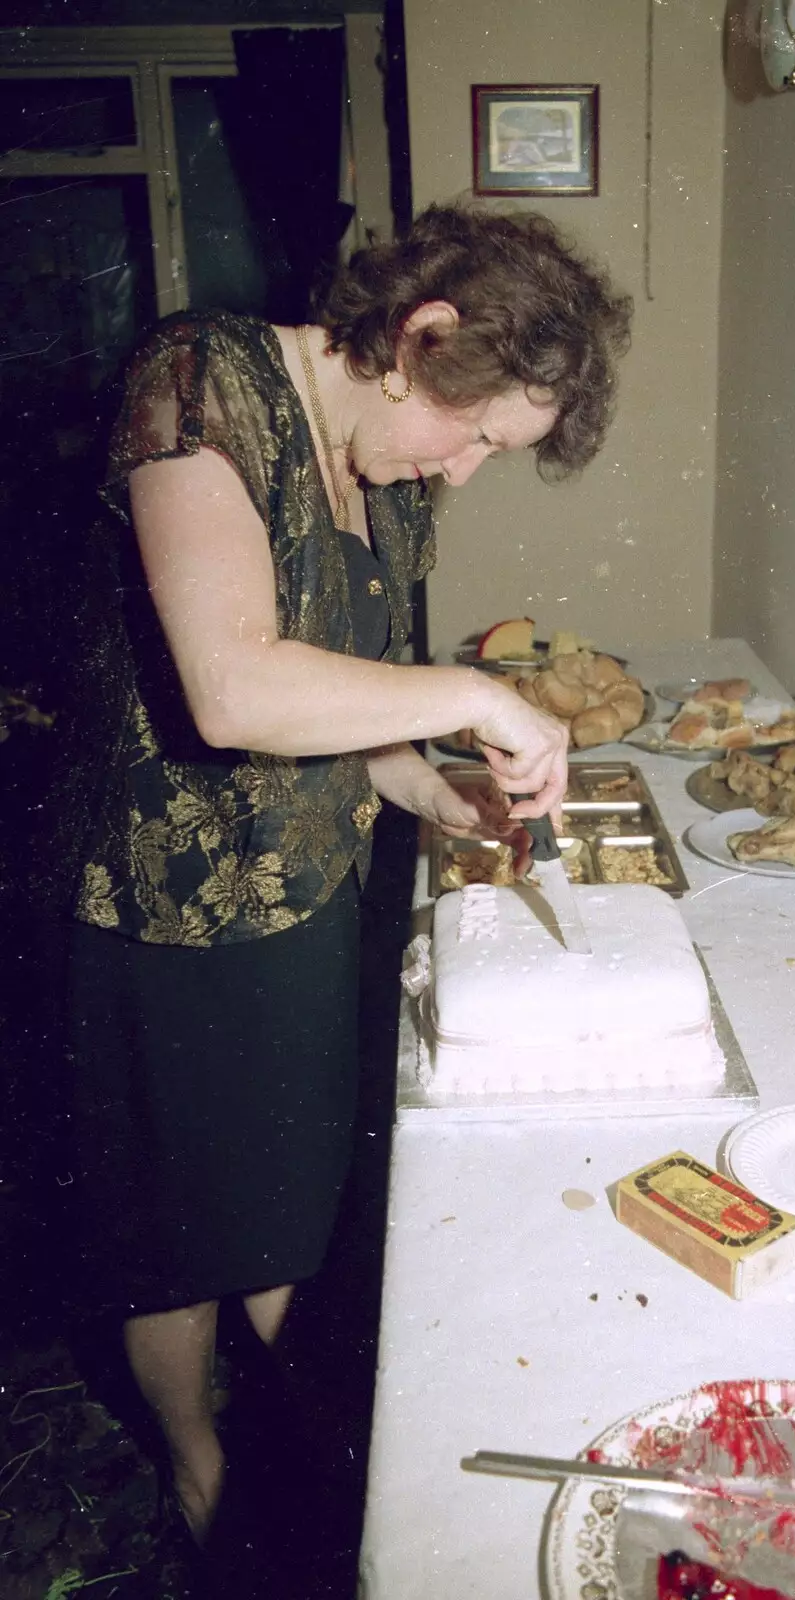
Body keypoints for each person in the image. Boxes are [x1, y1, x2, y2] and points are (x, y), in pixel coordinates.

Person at [63, 201, 632, 1549]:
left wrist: (425, 778)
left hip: (313, 885)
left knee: (281, 1208)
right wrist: (474, 698)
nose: (466, 470)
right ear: (421, 336)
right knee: (177, 1228)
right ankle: (201, 1470)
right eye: (477, 432)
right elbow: (233, 684)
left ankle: (320, 1467)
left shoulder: (388, 471)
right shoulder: (198, 380)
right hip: (170, 907)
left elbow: (342, 689)